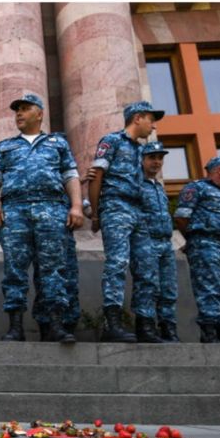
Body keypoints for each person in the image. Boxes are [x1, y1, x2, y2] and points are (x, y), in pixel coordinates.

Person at [0, 93, 83, 344]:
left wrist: (76, 206)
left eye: (25, 108)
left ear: (39, 113)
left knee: (52, 270)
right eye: (16, 109)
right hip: (15, 212)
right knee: (14, 271)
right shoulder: (5, 146)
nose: (18, 113)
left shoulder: (57, 143)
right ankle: (15, 327)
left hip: (51, 210)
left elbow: (70, 175)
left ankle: (53, 325)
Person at [87, 101, 164, 342]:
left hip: (139, 212)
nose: (152, 127)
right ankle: (113, 324)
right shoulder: (112, 141)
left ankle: (145, 325)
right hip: (116, 207)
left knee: (147, 269)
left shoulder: (142, 151)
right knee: (117, 264)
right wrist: (97, 212)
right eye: (151, 120)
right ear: (138, 118)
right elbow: (96, 175)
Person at [174, 156, 220, 343]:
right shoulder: (196, 188)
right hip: (205, 244)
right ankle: (210, 331)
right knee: (209, 289)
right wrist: (195, 240)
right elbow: (182, 217)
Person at [133, 141, 179, 342]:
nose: (157, 162)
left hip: (165, 243)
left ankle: (168, 327)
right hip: (145, 241)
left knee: (168, 288)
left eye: (160, 158)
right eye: (152, 157)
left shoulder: (158, 187)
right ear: (141, 160)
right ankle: (146, 327)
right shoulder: (135, 184)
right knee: (147, 285)